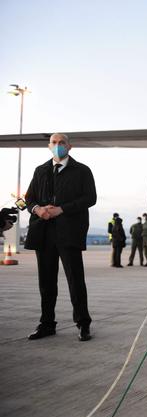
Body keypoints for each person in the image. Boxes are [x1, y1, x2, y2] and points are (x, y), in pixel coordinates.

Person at [24, 133, 97, 342]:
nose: (58, 146)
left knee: (75, 280)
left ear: (69, 146)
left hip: (69, 232)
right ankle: (47, 324)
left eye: (62, 143)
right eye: (54, 143)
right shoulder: (40, 171)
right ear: (49, 146)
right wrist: (37, 209)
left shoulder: (82, 170)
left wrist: (62, 209)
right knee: (46, 282)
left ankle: (83, 324)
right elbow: (29, 199)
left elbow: (90, 198)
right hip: (44, 233)